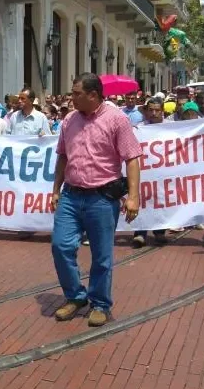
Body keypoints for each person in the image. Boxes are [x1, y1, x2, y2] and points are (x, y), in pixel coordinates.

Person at [50, 73, 142, 327]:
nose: (71, 98)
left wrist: (133, 197)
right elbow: (62, 156)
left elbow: (132, 158)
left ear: (93, 95)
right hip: (70, 195)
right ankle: (75, 296)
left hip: (101, 199)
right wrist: (56, 190)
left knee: (101, 256)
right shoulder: (69, 120)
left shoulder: (116, 120)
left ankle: (100, 303)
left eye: (76, 94)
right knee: (61, 246)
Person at [132, 98, 167, 247]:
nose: (153, 113)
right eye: (151, 110)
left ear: (162, 111)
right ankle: (140, 233)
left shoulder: (172, 127)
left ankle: (159, 231)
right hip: (145, 170)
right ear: (146, 111)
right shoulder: (139, 128)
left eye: (157, 110)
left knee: (162, 199)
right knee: (144, 200)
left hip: (164, 171)